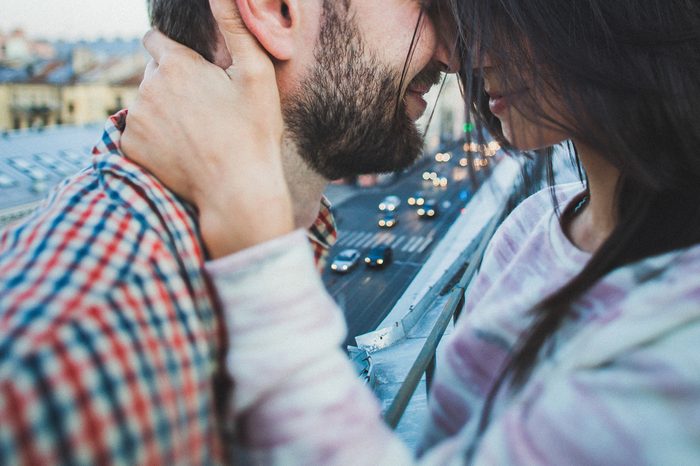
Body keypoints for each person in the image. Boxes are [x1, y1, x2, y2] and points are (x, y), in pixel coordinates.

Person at [123, 0, 700, 464]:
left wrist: (254, 237)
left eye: (489, 11)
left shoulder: (681, 343)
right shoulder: (529, 231)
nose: (456, 52)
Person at [0, 0, 456, 464]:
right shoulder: (64, 358)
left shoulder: (279, 230)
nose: (452, 55)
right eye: (426, 5)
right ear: (275, 10)